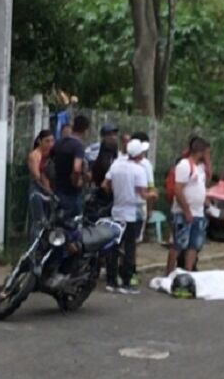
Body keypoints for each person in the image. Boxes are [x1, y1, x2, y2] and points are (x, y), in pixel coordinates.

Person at [102, 138, 155, 293]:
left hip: (116, 211)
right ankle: (126, 281)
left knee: (114, 246)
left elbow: (105, 184)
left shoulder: (116, 165)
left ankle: (111, 280)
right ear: (139, 154)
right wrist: (152, 195)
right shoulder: (138, 170)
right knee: (130, 248)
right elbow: (142, 194)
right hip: (130, 214)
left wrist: (115, 193)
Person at [171, 137, 210, 271]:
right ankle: (169, 271)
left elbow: (202, 184)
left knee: (194, 244)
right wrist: (186, 210)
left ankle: (188, 270)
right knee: (179, 243)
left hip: (198, 212)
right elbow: (178, 190)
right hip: (184, 212)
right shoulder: (185, 165)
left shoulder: (201, 168)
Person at [49, 115, 89, 218]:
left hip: (58, 189)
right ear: (85, 130)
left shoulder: (58, 143)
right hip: (72, 193)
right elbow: (76, 168)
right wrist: (77, 182)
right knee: (73, 225)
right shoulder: (78, 146)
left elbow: (49, 162)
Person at [27, 129, 55, 238]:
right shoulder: (34, 155)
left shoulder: (51, 155)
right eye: (47, 141)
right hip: (38, 190)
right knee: (39, 221)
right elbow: (37, 176)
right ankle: (34, 247)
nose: (50, 144)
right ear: (40, 141)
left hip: (50, 191)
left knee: (49, 220)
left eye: (52, 141)